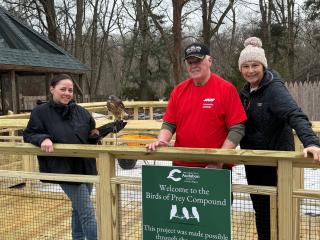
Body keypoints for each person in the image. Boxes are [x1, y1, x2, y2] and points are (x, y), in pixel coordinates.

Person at [23, 74, 125, 240]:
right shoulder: (40, 112)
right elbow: (29, 134)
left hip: (86, 166)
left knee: (78, 210)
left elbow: (90, 137)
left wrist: (107, 129)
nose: (67, 93)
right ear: (52, 89)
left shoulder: (82, 112)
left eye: (70, 90)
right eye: (62, 89)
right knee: (87, 212)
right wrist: (43, 138)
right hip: (64, 168)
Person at [238, 37, 320, 240]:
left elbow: (295, 114)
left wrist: (311, 142)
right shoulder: (247, 92)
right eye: (246, 66)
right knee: (261, 210)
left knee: (277, 211)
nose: (250, 71)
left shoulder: (274, 89)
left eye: (255, 65)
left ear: (263, 66)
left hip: (275, 163)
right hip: (254, 160)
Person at [146, 42, 247, 169]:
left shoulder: (226, 89)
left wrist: (220, 159)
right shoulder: (179, 90)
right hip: (181, 165)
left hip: (215, 167)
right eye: (190, 62)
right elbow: (169, 123)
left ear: (209, 61)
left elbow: (237, 128)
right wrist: (162, 140)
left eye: (198, 61)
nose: (193, 65)